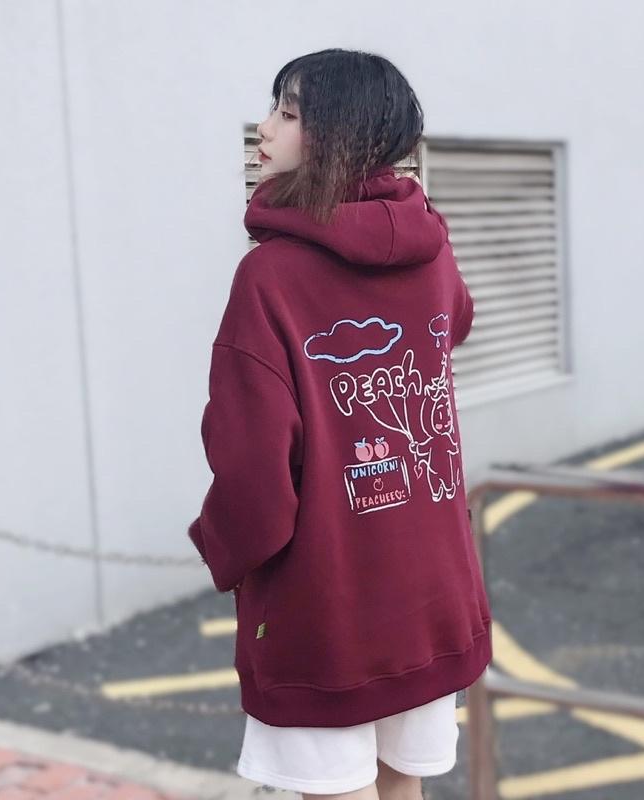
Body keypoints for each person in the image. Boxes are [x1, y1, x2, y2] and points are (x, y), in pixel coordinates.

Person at [187, 48, 492, 800]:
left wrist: (222, 548)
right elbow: (455, 322)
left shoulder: (271, 277)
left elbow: (253, 472)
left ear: (339, 134)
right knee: (402, 786)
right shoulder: (430, 249)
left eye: (289, 113)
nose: (265, 129)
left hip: (330, 599)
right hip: (431, 586)